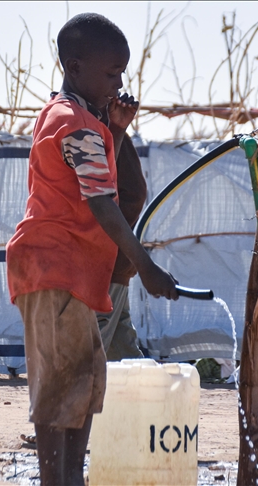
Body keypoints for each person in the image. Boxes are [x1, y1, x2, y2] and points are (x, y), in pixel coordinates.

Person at [5, 13, 178, 486]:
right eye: (110, 73)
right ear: (75, 66)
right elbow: (103, 203)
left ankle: (70, 478)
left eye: (121, 73)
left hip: (69, 269)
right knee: (61, 382)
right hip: (52, 264)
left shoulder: (82, 121)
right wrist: (145, 267)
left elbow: (95, 179)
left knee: (84, 379)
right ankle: (54, 479)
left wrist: (116, 131)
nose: (118, 83)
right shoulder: (72, 122)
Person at [97, 134, 147, 362]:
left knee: (95, 355)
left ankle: (144, 396)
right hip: (105, 264)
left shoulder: (100, 126)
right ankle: (144, 397)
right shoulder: (91, 125)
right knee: (119, 352)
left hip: (106, 265)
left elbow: (134, 193)